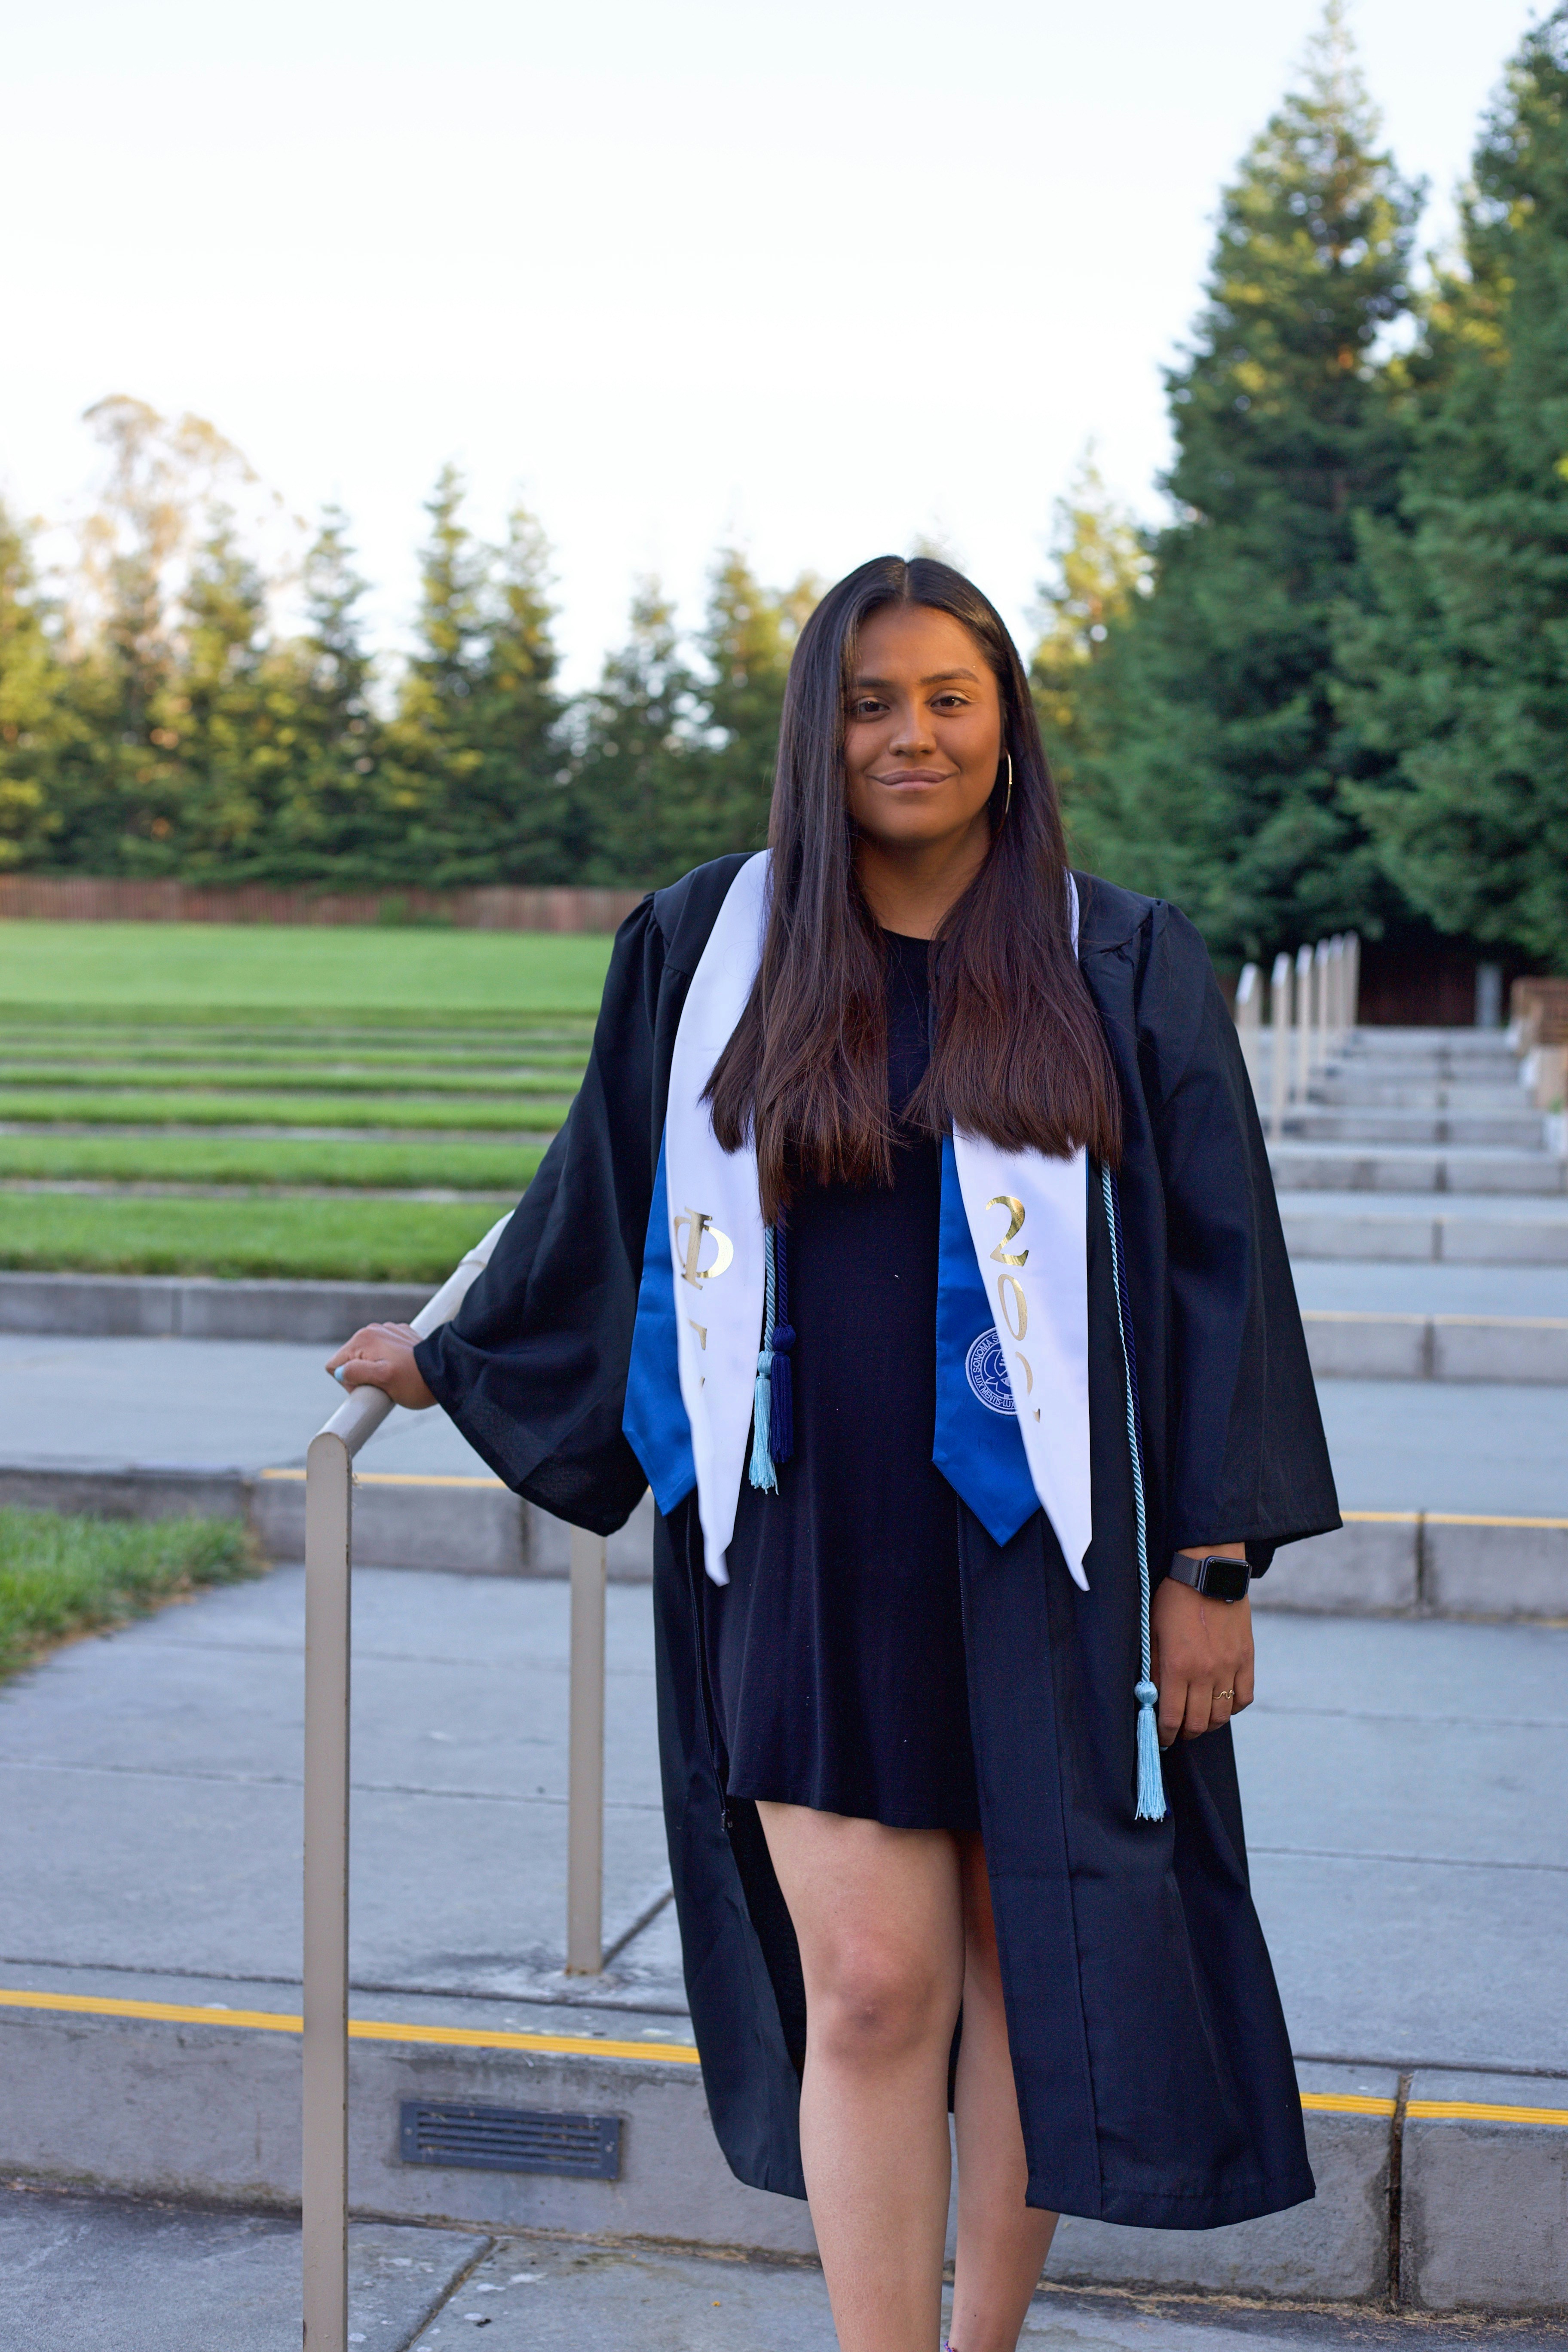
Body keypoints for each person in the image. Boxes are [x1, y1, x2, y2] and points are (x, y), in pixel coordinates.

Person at [329, 555, 1339, 2352]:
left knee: (1043, 1968)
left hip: (1056, 1556)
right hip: (795, 1542)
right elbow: (611, 1193)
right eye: (871, 702)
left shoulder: (1119, 954)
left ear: (1009, 726)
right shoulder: (709, 944)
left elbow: (1218, 1268)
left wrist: (1214, 1566)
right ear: (817, 732)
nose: (912, 735)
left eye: (951, 696)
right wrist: (455, 1356)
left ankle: (984, 2342)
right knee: (873, 1986)